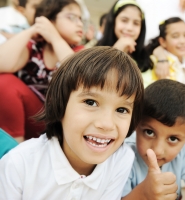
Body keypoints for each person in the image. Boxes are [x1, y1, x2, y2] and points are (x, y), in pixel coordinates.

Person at [0, 46, 144, 199]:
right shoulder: (18, 165)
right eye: (91, 102)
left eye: (121, 110)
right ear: (59, 104)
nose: (107, 124)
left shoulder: (121, 159)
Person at [0, 0, 84, 142]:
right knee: (5, 80)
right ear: (50, 20)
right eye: (71, 17)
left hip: (58, 123)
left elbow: (79, 74)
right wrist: (32, 30)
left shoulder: (79, 52)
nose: (80, 24)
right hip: (28, 118)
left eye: (80, 19)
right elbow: (2, 64)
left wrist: (55, 37)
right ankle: (13, 149)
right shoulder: (35, 48)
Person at [122, 79, 185, 200]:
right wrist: (143, 194)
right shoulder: (123, 155)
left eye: (173, 139)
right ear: (136, 125)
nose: (158, 150)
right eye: (149, 132)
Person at [96, 0, 152, 72]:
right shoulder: (95, 53)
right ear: (113, 21)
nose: (129, 28)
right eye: (124, 20)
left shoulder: (148, 58)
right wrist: (116, 51)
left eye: (136, 23)